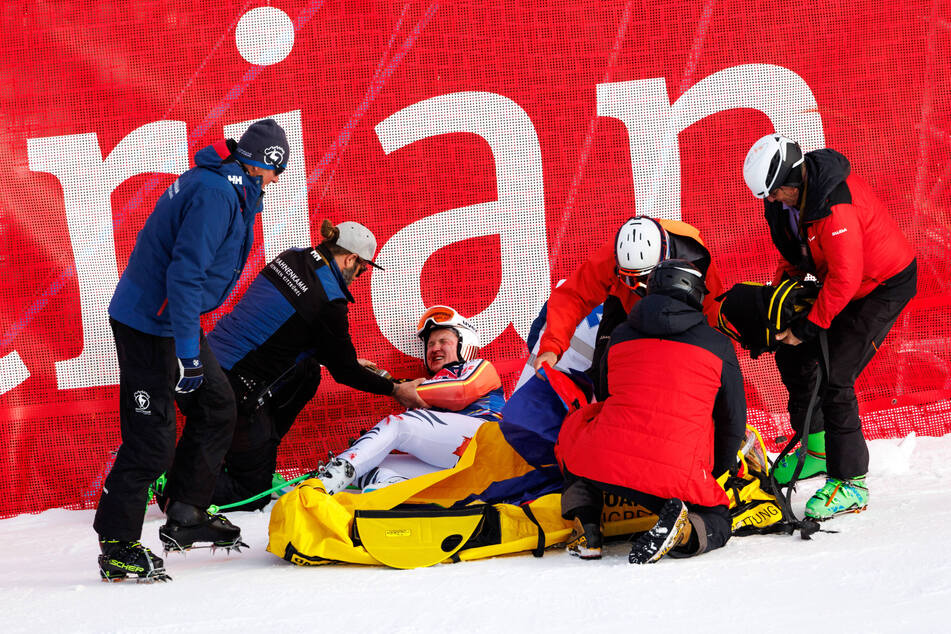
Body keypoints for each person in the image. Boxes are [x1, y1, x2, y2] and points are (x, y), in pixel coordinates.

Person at [95, 119, 290, 582]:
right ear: (263, 164)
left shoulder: (233, 188)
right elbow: (183, 276)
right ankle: (118, 544)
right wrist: (187, 352)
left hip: (171, 318)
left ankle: (185, 511)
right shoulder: (217, 194)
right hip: (151, 323)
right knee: (152, 439)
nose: (277, 183)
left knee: (218, 406)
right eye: (276, 172)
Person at [742, 133, 917, 519]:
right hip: (842, 282)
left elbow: (845, 280)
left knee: (837, 374)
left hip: (881, 285)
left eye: (773, 193)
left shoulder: (835, 206)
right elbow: (797, 251)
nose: (769, 201)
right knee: (792, 355)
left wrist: (807, 327)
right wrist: (782, 296)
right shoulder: (784, 202)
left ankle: (850, 482)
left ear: (793, 180)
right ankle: (817, 448)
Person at [206, 219, 426, 510]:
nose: (358, 276)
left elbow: (290, 325)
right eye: (361, 269)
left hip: (207, 362)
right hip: (229, 387)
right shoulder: (329, 302)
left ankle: (255, 453)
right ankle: (174, 481)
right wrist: (395, 390)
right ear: (350, 258)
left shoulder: (292, 257)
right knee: (250, 492)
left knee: (307, 371)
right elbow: (345, 372)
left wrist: (332, 355)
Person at [555, 260, 746, 564]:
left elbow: (606, 396)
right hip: (675, 475)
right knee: (719, 518)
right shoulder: (718, 344)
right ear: (695, 293)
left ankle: (587, 525)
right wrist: (714, 472)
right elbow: (732, 422)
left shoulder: (619, 334)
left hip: (604, 462)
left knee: (579, 429)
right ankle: (683, 531)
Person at [316, 305, 506, 495]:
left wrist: (398, 388)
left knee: (398, 425)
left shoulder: (479, 366)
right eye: (430, 344)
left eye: (443, 341)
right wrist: (353, 368)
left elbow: (462, 391)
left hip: (486, 448)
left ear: (464, 343)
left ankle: (324, 483)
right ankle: (391, 491)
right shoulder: (419, 388)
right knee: (369, 461)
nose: (434, 348)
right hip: (456, 469)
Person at [533, 216, 725, 395]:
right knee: (605, 377)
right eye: (629, 278)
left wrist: (720, 372)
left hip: (678, 316)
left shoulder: (697, 259)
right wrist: (551, 348)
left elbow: (714, 316)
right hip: (624, 305)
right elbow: (574, 296)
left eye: (644, 279)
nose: (638, 287)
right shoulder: (616, 253)